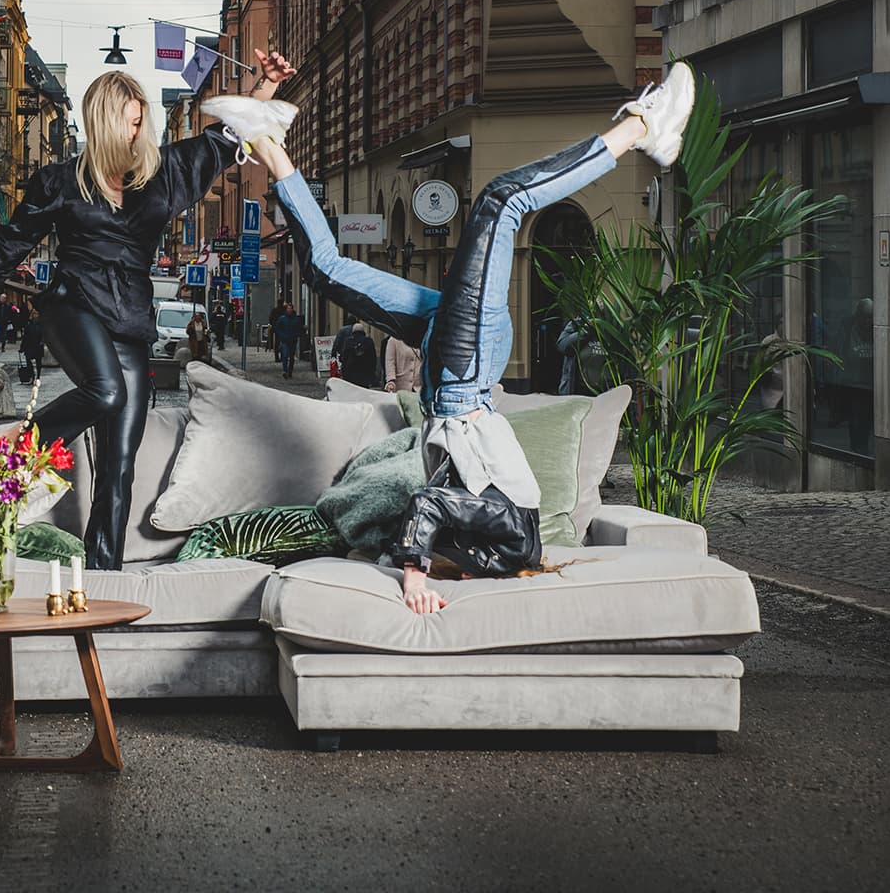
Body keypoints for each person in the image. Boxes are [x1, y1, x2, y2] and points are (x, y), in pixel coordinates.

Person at [209, 60, 696, 615]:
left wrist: (412, 564)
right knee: (502, 201)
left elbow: (432, 507)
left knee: (327, 271)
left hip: (454, 368)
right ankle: (641, 128)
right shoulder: (513, 540)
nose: (458, 576)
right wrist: (416, 576)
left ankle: (269, 142)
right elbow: (429, 503)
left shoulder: (482, 545)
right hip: (466, 368)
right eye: (463, 577)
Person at [0, 53, 295, 568]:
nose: (142, 132)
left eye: (144, 123)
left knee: (120, 465)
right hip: (74, 305)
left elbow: (230, 136)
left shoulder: (164, 174)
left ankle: (103, 578)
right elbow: (5, 252)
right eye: (134, 122)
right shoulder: (59, 182)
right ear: (109, 122)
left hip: (131, 320)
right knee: (106, 391)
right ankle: (8, 462)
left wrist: (264, 83)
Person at [331, 317, 382, 390]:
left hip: (351, 374)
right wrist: (372, 372)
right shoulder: (369, 341)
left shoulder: (348, 341)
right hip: (365, 374)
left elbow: (344, 357)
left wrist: (343, 370)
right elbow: (373, 358)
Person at [384, 324, 422, 392]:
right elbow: (390, 362)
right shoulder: (393, 340)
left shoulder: (423, 340)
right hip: (400, 389)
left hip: (419, 389)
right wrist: (391, 380)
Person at [273, 301, 305, 379]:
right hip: (285, 340)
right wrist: (281, 336)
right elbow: (277, 328)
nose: (289, 310)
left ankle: (290, 371)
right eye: (288, 308)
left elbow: (300, 328)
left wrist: (297, 334)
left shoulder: (296, 319)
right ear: (286, 309)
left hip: (293, 340)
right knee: (284, 355)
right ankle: (285, 371)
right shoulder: (282, 318)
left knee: (291, 357)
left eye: (290, 308)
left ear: (292, 309)